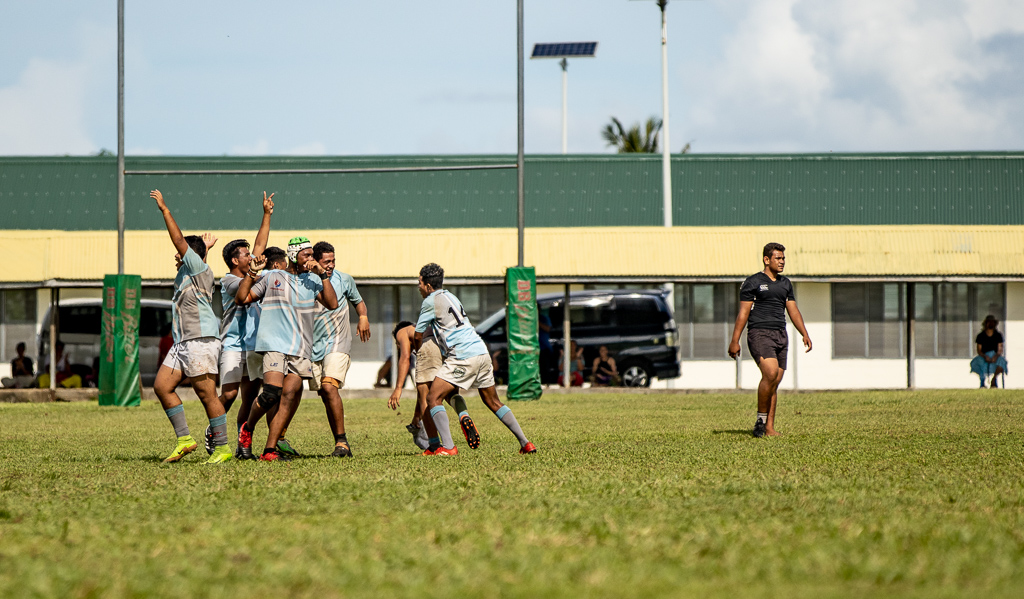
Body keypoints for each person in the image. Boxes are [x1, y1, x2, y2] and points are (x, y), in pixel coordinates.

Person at [234, 237, 338, 461]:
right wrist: (251, 274)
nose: (311, 259)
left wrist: (322, 274)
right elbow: (242, 298)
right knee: (271, 394)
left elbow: (332, 304)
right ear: (293, 256)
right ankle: (248, 428)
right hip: (273, 345)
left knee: (288, 397)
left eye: (312, 255)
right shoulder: (273, 277)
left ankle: (269, 450)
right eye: (307, 255)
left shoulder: (313, 280)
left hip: (300, 348)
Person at [415, 263, 535, 456]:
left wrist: (417, 349)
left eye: (419, 283)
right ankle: (525, 443)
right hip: (481, 351)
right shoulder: (451, 296)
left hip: (462, 355)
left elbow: (418, 334)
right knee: (493, 401)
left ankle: (447, 447)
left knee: (432, 397)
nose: (418, 287)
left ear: (428, 285)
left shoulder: (430, 301)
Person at [149, 189, 230, 464]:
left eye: (181, 251)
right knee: (162, 386)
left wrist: (164, 210)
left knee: (206, 393)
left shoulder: (197, 267)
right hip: (183, 342)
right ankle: (185, 440)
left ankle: (222, 447)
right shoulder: (188, 272)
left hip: (201, 340)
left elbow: (179, 239)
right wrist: (206, 249)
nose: (176, 253)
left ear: (191, 255)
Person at [208, 191, 274, 456]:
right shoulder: (228, 280)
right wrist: (257, 271)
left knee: (249, 398)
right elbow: (245, 293)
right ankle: (213, 428)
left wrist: (267, 214)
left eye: (250, 254)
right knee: (229, 395)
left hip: (254, 342)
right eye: (246, 255)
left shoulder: (253, 272)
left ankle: (241, 444)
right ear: (235, 261)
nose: (252, 257)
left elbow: (260, 248)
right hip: (233, 343)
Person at [728, 242, 812, 438]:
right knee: (771, 373)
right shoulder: (753, 282)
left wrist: (804, 333)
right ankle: (760, 420)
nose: (782, 262)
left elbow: (793, 310)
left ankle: (769, 428)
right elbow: (743, 313)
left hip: (780, 335)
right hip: (759, 333)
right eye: (778, 258)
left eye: (783, 258)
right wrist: (734, 340)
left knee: (775, 381)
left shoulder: (785, 283)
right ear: (767, 259)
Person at [307, 241, 372, 458]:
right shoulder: (305, 281)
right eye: (327, 261)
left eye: (333, 260)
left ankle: (342, 442)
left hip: (338, 341)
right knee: (324, 394)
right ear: (315, 261)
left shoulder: (344, 279)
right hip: (312, 346)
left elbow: (358, 301)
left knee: (328, 388)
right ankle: (338, 443)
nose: (331, 265)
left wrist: (363, 317)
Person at [389, 320, 477, 451]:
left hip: (429, 347)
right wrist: (417, 416)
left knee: (427, 399)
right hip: (446, 347)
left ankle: (434, 445)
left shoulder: (402, 331)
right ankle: (463, 415)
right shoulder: (426, 328)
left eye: (398, 344)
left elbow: (405, 357)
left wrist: (398, 388)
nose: (399, 346)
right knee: (449, 395)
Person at [971, 315, 1008, 388]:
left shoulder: (998, 335)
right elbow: (979, 350)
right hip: (984, 356)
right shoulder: (980, 336)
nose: (990, 324)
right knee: (976, 363)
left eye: (992, 322)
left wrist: (996, 356)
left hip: (995, 355)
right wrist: (985, 356)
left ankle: (994, 380)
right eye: (989, 322)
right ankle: (982, 381)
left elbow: (1000, 349)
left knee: (1002, 362)